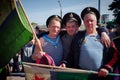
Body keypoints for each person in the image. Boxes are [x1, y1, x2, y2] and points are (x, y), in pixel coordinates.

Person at [64, 7, 118, 80]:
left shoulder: (106, 37)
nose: (89, 23)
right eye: (86, 21)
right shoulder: (78, 36)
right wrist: (65, 63)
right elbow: (71, 55)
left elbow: (115, 56)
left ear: (96, 21)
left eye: (91, 20)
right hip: (81, 75)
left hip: (100, 76)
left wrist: (107, 68)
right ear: (83, 22)